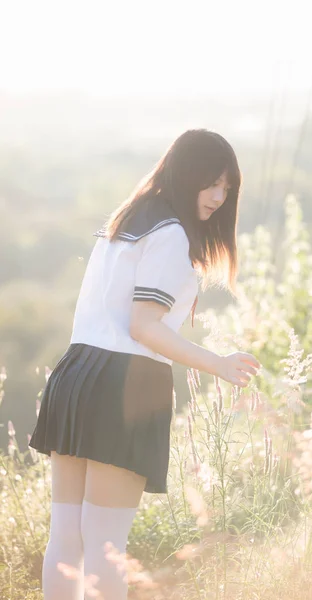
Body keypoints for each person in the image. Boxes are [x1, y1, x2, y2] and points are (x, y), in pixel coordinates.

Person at [28, 128, 260, 600]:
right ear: (186, 174)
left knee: (68, 537)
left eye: (227, 188)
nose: (218, 197)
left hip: (76, 373)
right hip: (125, 385)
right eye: (211, 183)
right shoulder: (172, 234)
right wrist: (218, 363)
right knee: (107, 545)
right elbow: (145, 327)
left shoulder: (127, 220)